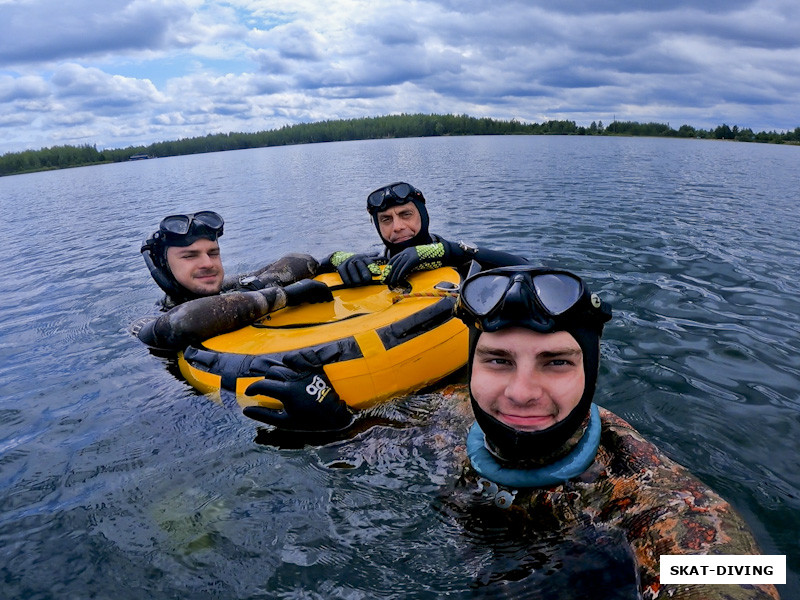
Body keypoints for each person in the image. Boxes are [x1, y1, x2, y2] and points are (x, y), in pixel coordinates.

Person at [444, 265, 779, 599]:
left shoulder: (659, 501)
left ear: (590, 371)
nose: (521, 393)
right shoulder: (444, 417)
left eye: (557, 362)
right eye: (498, 361)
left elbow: (735, 574)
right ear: (472, 366)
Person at [132, 210, 332, 351]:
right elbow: (183, 321)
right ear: (162, 268)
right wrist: (283, 295)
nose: (207, 263)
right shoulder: (149, 322)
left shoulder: (231, 287)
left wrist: (335, 259)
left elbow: (301, 261)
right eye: (189, 256)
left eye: (213, 253)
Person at [322, 182, 528, 288]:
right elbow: (299, 267)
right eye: (386, 219)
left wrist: (447, 251)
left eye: (406, 215)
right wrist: (336, 259)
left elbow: (524, 265)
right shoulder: (374, 259)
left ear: (423, 214)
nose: (397, 227)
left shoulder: (455, 255)